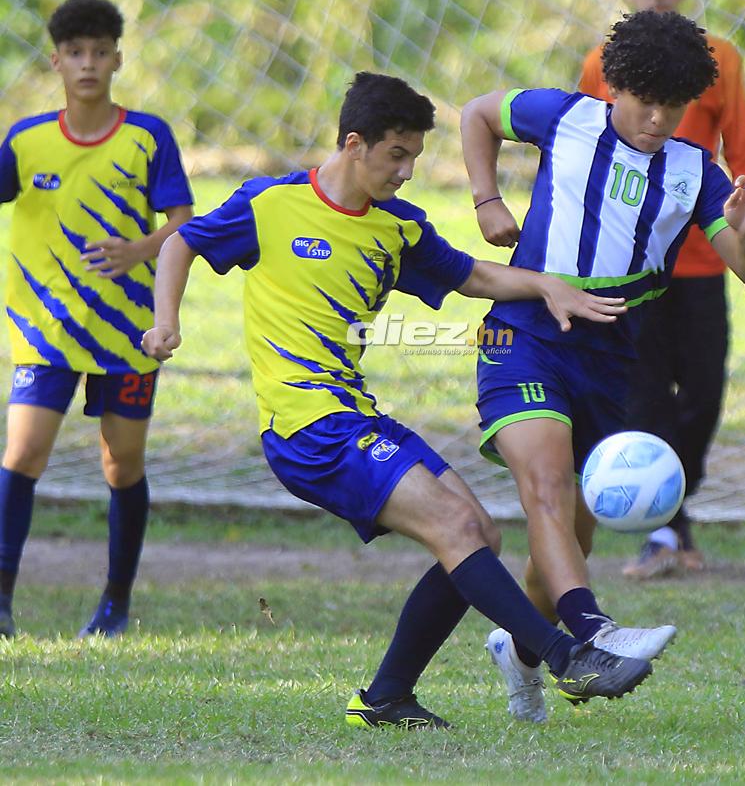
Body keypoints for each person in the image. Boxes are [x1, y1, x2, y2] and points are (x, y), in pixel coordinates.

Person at [143, 71, 652, 729]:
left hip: (352, 414)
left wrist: (547, 286)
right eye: (397, 155)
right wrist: (166, 321)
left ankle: (387, 696)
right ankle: (566, 658)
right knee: (459, 530)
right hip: (306, 425)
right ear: (354, 143)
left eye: (414, 156)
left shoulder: (397, 226)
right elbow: (182, 241)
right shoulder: (269, 204)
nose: (408, 171)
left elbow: (471, 275)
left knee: (479, 536)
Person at [462, 10, 745, 721]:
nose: (660, 118)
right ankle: (595, 634)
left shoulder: (696, 172)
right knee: (543, 487)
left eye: (675, 105)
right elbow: (477, 115)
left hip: (610, 354)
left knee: (571, 532)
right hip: (525, 330)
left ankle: (517, 652)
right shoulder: (562, 116)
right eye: (646, 101)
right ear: (616, 86)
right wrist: (488, 202)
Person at [0, 0, 194, 639]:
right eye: (75, 53)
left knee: (122, 465)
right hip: (44, 330)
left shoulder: (148, 136)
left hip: (128, 331)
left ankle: (114, 604)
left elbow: (183, 222)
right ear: (55, 60)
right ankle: (0, 603)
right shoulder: (25, 141)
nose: (87, 64)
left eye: (99, 52)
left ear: (117, 58)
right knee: (23, 456)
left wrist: (138, 250)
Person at [578, 0, 745, 579]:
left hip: (703, 261)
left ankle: (670, 508)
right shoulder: (600, 63)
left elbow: (740, 155)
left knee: (705, 394)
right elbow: (584, 156)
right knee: (645, 397)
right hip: (628, 266)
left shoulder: (721, 59)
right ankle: (663, 533)